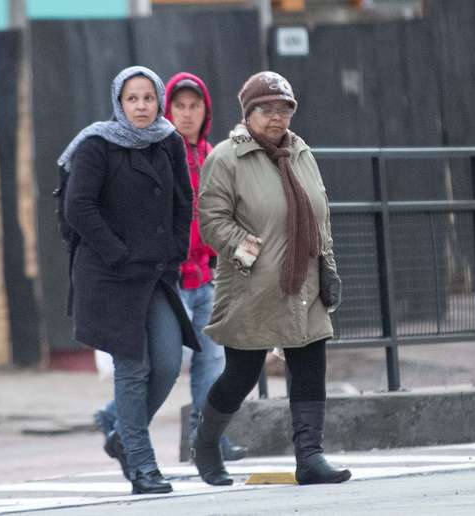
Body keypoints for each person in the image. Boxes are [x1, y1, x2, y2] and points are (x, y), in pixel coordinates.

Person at [193, 70, 350, 486]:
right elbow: (212, 222)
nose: (276, 117)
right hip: (252, 285)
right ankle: (205, 444)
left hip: (306, 283)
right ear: (248, 114)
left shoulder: (301, 153)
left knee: (311, 365)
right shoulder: (226, 158)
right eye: (266, 109)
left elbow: (321, 217)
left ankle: (310, 457)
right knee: (242, 375)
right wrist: (252, 254)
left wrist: (328, 267)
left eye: (284, 109)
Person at [92, 72, 247, 462]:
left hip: (204, 274)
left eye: (195, 106)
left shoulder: (213, 155)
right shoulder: (159, 149)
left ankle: (207, 436)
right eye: (180, 106)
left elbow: (220, 211)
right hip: (167, 276)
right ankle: (119, 421)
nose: (187, 114)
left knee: (211, 360)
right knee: (163, 362)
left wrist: (217, 256)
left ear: (206, 112)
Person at [60, 65, 198, 495]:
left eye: (148, 98)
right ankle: (142, 466)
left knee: (169, 361)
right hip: (109, 273)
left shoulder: (168, 140)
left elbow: (183, 199)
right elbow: (78, 208)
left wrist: (176, 248)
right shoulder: (96, 144)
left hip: (155, 272)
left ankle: (122, 436)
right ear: (119, 103)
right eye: (132, 99)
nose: (141, 106)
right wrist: (118, 253)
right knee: (133, 368)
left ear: (159, 100)